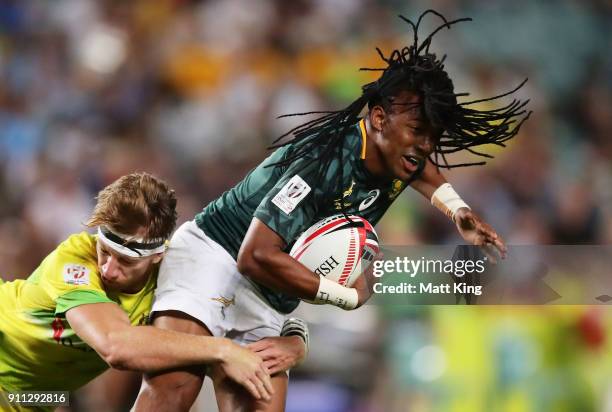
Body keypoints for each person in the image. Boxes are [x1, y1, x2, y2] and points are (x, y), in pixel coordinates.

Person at [135, 10, 531, 412]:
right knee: (175, 388)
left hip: (269, 291)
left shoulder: (399, 155)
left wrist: (457, 210)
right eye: (417, 132)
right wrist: (346, 297)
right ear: (378, 118)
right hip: (216, 255)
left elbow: (423, 169)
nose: (425, 147)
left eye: (432, 136)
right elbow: (254, 256)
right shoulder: (323, 161)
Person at [0, 172, 308, 411]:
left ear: (158, 254)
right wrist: (224, 349)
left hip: (31, 396)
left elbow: (243, 305)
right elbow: (115, 346)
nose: (107, 269)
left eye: (125, 260)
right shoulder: (73, 262)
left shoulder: (180, 275)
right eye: (105, 250)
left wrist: (297, 339)